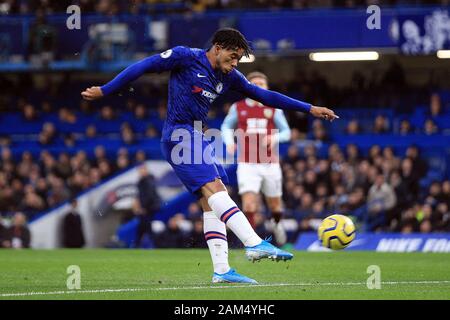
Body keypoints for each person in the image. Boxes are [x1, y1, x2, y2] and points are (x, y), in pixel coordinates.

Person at [81, 28, 338, 284]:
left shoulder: (230, 76)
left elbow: (265, 96)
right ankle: (254, 242)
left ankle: (222, 271)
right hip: (179, 135)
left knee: (211, 200)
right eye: (233, 56)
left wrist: (310, 108)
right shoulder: (185, 57)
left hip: (198, 136)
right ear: (217, 47)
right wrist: (106, 89)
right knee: (215, 189)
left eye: (238, 59)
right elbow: (143, 66)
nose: (235, 63)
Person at [221, 71, 289, 246]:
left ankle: (277, 224)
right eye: (255, 84)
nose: (259, 87)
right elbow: (227, 126)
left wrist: (274, 138)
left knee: (275, 207)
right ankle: (252, 243)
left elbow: (287, 132)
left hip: (270, 163)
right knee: (250, 205)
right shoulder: (239, 107)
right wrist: (229, 142)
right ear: (248, 87)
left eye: (262, 84)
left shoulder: (274, 108)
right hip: (247, 162)